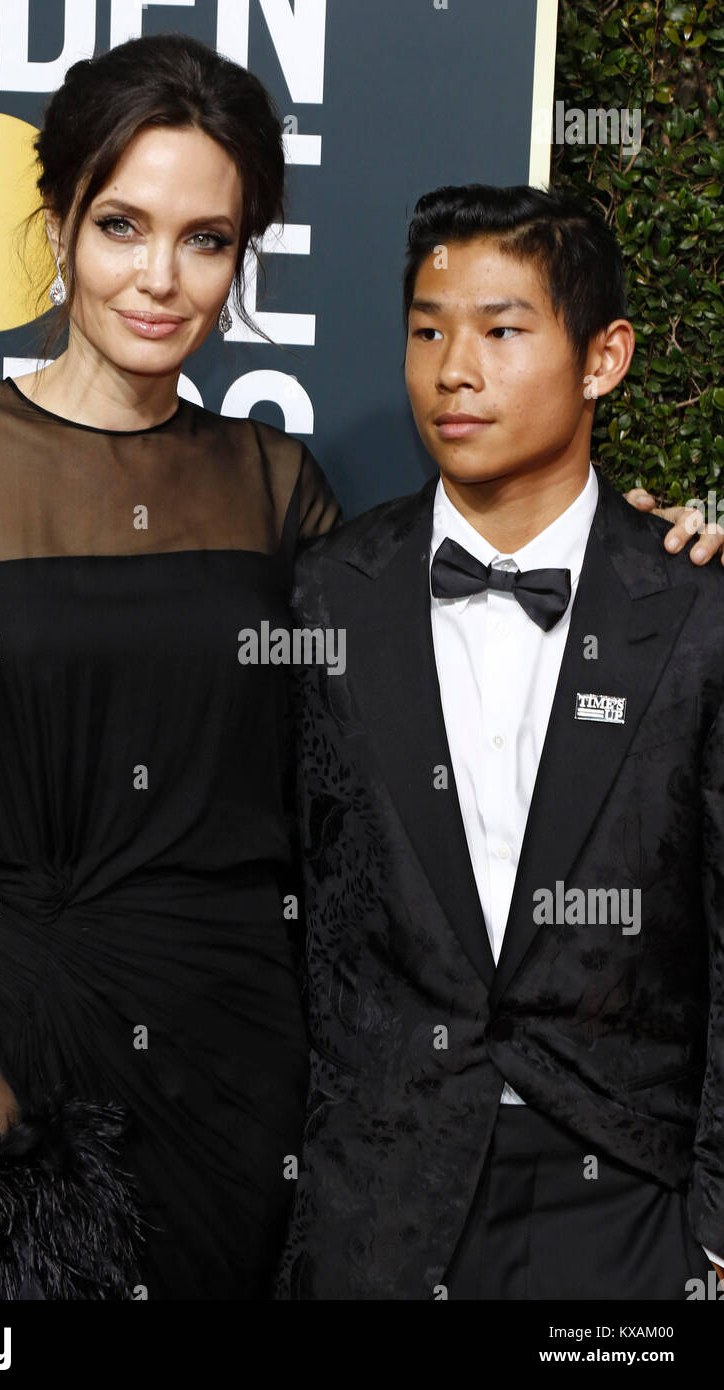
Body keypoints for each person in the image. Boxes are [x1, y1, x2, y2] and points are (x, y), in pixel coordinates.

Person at [0, 33, 341, 1300]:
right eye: (123, 224)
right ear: (60, 221)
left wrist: (624, 562)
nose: (162, 278)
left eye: (208, 238)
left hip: (240, 1062)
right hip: (5, 1046)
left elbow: (388, 750)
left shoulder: (276, 485)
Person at [274, 185, 724, 1300]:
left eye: (501, 329)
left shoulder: (697, 604)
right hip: (380, 1195)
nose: (452, 369)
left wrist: (711, 1239)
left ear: (604, 357)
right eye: (428, 329)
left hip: (626, 1199)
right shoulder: (330, 591)